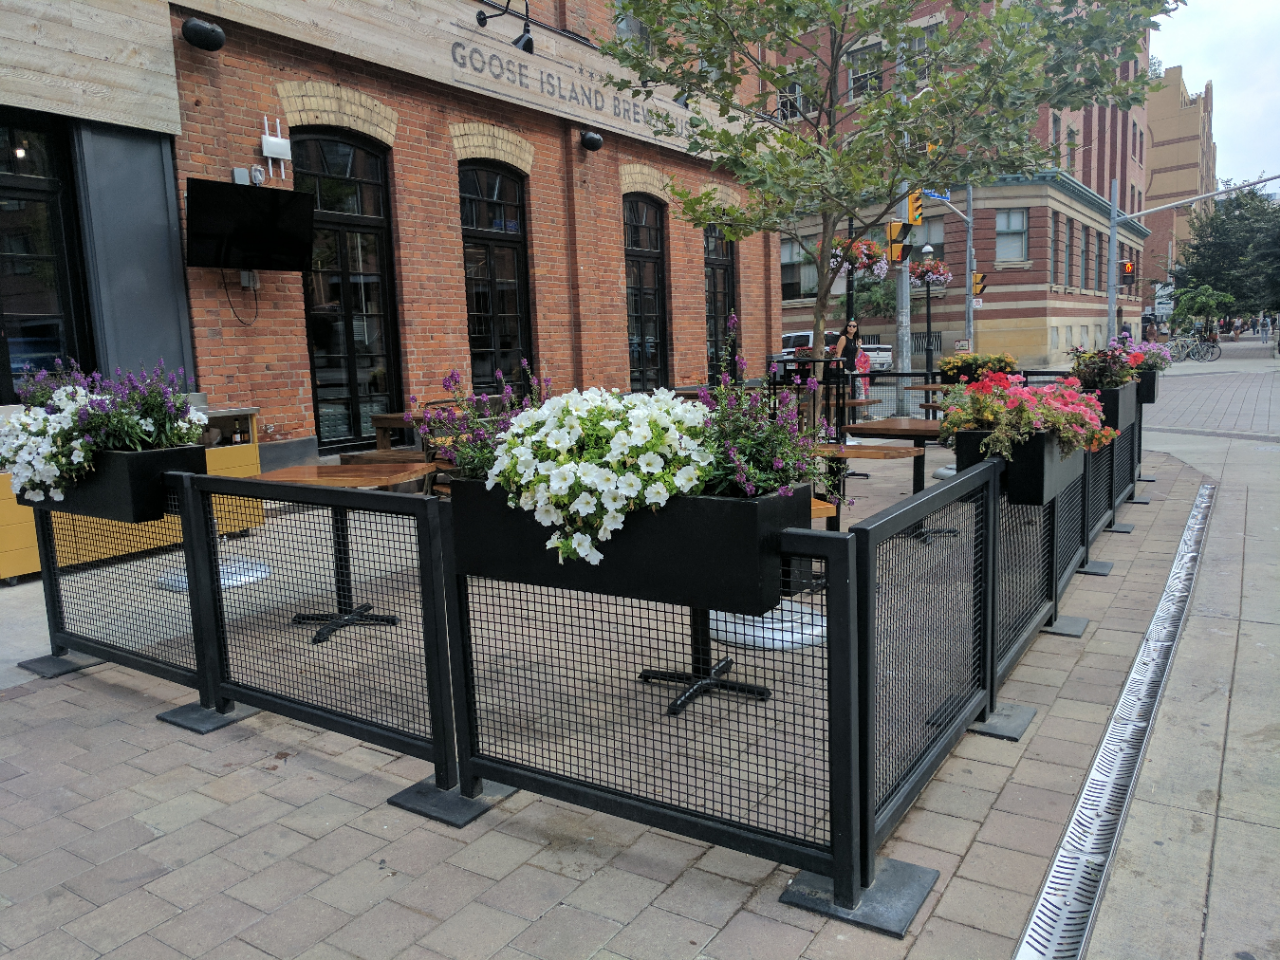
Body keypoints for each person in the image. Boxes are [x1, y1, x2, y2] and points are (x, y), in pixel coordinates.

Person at [833, 318, 870, 401]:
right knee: (845, 389)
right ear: (846, 327)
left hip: (853, 368)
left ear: (856, 329)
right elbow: (838, 354)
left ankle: (860, 408)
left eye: (854, 326)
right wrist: (841, 369)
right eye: (849, 326)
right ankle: (848, 406)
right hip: (845, 368)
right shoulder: (843, 338)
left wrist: (859, 346)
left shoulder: (854, 340)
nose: (851, 327)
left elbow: (855, 356)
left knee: (860, 388)